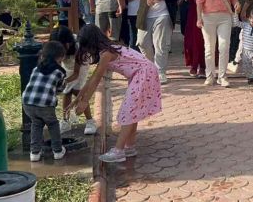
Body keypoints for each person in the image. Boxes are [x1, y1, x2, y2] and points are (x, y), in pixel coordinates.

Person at [70, 24, 162, 163]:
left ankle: (119, 150)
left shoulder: (107, 53)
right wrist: (79, 98)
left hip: (143, 74)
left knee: (128, 111)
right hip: (143, 73)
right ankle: (129, 146)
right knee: (133, 111)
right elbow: (92, 77)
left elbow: (96, 78)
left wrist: (84, 102)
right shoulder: (108, 50)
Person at [136, 0, 181, 84]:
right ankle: (150, 67)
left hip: (164, 14)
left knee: (161, 44)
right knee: (142, 43)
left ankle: (160, 71)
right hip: (146, 14)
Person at [196, 0, 238, 88]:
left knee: (224, 46)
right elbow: (199, 1)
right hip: (208, 17)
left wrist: (237, 3)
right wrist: (199, 18)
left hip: (225, 17)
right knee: (209, 48)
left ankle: (222, 76)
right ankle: (210, 76)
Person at [22, 41, 68, 161]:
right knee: (53, 124)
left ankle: (35, 153)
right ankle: (57, 150)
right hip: (45, 104)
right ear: (60, 57)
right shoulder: (60, 72)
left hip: (27, 102)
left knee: (36, 124)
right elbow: (60, 89)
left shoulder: (36, 68)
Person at [50, 26, 97, 135]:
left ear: (67, 44)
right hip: (67, 67)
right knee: (66, 92)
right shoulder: (56, 48)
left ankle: (90, 121)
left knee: (78, 91)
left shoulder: (80, 48)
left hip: (81, 66)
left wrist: (63, 82)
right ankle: (65, 121)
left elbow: (76, 74)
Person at [184, 0, 208, 78]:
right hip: (194, 13)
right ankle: (194, 65)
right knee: (193, 39)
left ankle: (203, 66)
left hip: (208, 12)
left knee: (204, 40)